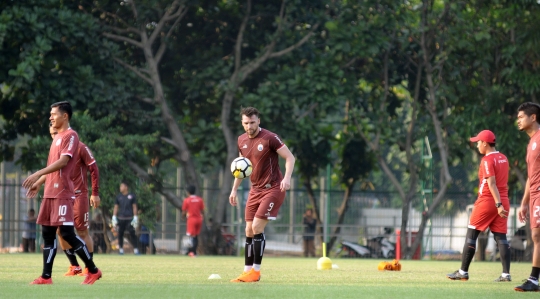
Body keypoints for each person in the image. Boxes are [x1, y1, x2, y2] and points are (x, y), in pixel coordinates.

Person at [23, 101, 102, 285]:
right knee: (48, 234)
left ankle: (93, 270)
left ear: (65, 116)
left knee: (68, 233)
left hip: (64, 193)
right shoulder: (56, 138)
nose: (50, 117)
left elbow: (63, 162)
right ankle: (46, 276)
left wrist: (37, 173)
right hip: (50, 193)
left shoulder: (71, 135)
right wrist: (40, 183)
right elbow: (53, 168)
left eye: (54, 114)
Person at [229, 107, 296, 283]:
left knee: (257, 227)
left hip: (273, 188)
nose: (249, 126)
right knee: (248, 230)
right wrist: (234, 189)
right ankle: (247, 271)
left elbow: (290, 158)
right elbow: (240, 168)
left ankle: (256, 272)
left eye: (252, 122)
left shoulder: (270, 138)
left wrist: (287, 178)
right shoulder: (241, 140)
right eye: (246, 123)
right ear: (242, 123)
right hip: (255, 190)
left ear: (258, 120)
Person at [446, 130, 510, 282]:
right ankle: (506, 274)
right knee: (501, 237)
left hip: (488, 201)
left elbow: (492, 183)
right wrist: (501, 204)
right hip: (503, 199)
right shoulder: (503, 158)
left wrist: (497, 204)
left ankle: (463, 272)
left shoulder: (487, 160)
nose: (477, 146)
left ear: (485, 143)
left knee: (472, 234)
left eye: (478, 143)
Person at [47, 124, 101, 277]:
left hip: (79, 195)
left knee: (82, 231)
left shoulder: (80, 147)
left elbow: (94, 168)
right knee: (60, 231)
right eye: (51, 134)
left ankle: (89, 268)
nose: (54, 136)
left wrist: (95, 193)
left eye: (56, 133)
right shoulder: (55, 150)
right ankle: (74, 266)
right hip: (62, 196)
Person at [515, 102, 540, 292]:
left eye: (521, 117)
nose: (518, 121)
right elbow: (531, 176)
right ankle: (534, 280)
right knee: (536, 235)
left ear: (533, 117)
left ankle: (533, 280)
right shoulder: (531, 142)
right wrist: (524, 203)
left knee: (537, 235)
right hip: (535, 194)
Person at [112, 181, 139, 254]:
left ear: (126, 187)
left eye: (122, 186)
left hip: (129, 218)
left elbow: (134, 206)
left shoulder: (132, 196)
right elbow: (116, 207)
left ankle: (136, 250)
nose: (120, 188)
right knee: (120, 234)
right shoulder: (119, 197)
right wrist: (114, 216)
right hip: (121, 218)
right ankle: (121, 250)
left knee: (132, 234)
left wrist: (135, 217)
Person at [182, 185, 205, 257]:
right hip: (199, 219)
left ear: (188, 192)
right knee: (196, 236)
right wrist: (202, 216)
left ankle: (191, 252)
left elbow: (184, 211)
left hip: (191, 219)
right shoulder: (200, 199)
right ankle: (192, 252)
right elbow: (202, 210)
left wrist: (183, 217)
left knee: (190, 236)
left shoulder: (187, 200)